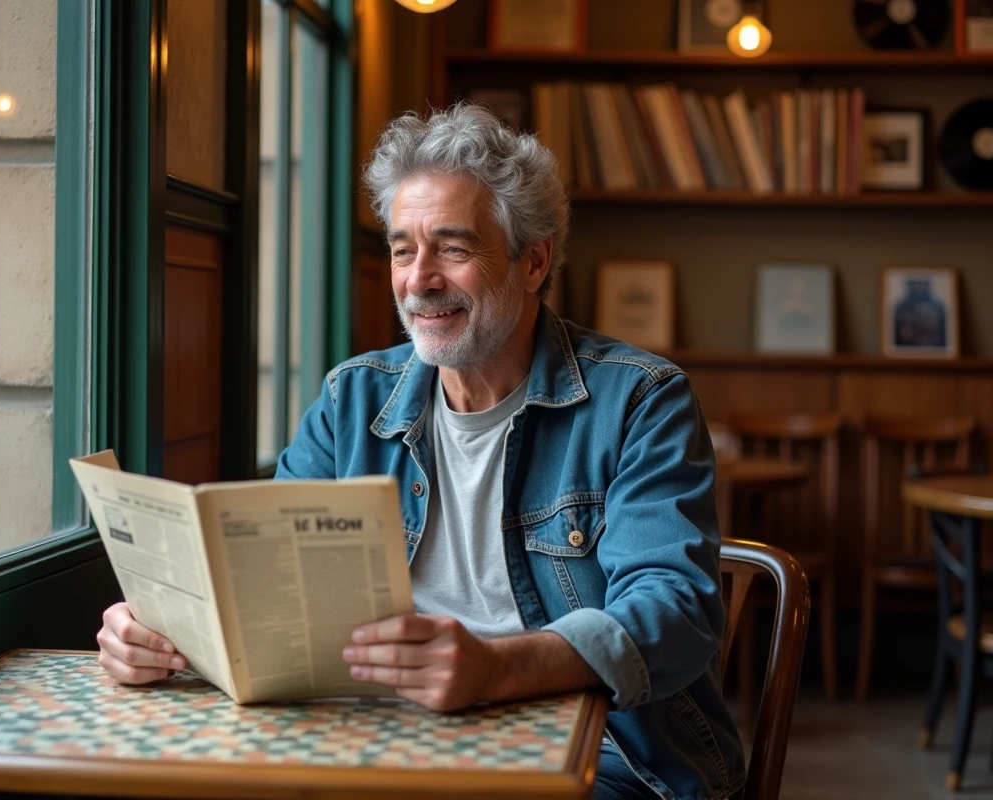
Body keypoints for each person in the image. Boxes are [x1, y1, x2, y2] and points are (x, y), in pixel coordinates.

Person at [96, 104, 745, 799]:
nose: (419, 279)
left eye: (453, 249)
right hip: (379, 737)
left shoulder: (640, 399)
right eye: (403, 250)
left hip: (612, 755)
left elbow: (674, 610)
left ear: (533, 261)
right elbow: (257, 580)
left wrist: (496, 668)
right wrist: (162, 628)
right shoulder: (351, 401)